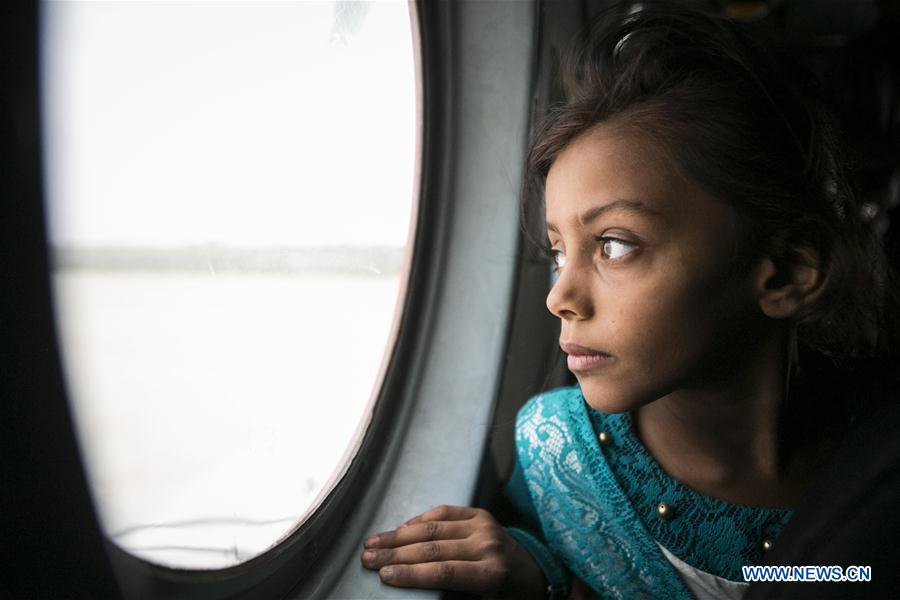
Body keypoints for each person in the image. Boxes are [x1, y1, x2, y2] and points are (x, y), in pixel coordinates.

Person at [359, 1, 899, 597]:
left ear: (786, 272)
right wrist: (539, 575)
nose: (560, 297)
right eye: (559, 252)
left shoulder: (875, 460)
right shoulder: (559, 460)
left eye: (614, 245)